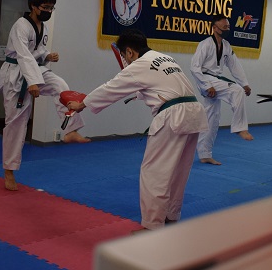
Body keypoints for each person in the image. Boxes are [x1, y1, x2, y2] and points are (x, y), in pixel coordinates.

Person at [66, 29, 208, 231]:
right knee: (179, 171)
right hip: (193, 113)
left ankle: (152, 226)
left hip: (173, 116)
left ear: (130, 51)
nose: (126, 60)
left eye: (125, 56)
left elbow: (110, 88)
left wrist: (82, 104)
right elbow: (162, 86)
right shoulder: (165, 58)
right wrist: (141, 94)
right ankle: (171, 215)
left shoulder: (139, 65)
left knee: (154, 172)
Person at [0, 0, 90, 191]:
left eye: (51, 8)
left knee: (61, 86)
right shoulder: (21, 26)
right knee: (16, 123)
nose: (48, 11)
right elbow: (23, 55)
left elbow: (37, 51)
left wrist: (47, 55)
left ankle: (71, 129)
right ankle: (9, 170)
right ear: (33, 6)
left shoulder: (43, 27)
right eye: (45, 7)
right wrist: (32, 81)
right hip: (16, 74)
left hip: (35, 70)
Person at [190, 14, 253, 166]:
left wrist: (244, 83)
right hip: (206, 79)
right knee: (236, 90)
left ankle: (205, 154)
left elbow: (234, 65)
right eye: (224, 27)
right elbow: (194, 67)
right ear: (214, 28)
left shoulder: (226, 45)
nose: (227, 29)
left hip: (216, 81)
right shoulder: (205, 44)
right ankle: (239, 128)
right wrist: (206, 85)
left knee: (212, 119)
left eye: (228, 27)